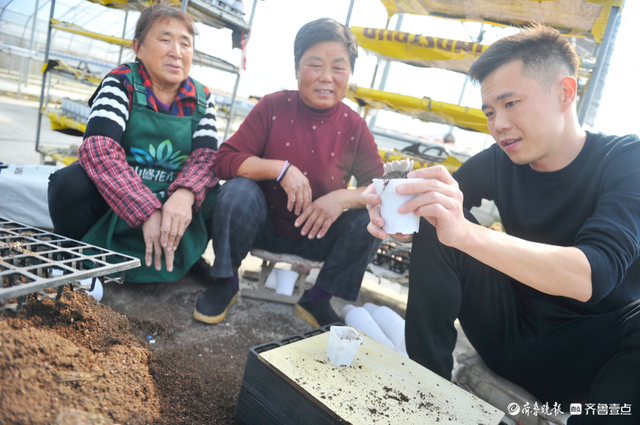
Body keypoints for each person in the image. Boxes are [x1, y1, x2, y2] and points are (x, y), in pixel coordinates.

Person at [362, 24, 640, 424]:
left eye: (511, 104)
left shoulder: (625, 161)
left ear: (565, 92)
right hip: (509, 337)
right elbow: (440, 211)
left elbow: (590, 277)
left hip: (586, 366)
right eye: (490, 111)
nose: (498, 124)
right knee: (439, 216)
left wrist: (464, 232)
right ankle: (424, 394)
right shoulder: (500, 159)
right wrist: (397, 211)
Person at [193, 18, 383, 327]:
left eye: (338, 68)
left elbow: (380, 187)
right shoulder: (272, 107)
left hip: (319, 235)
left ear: (349, 75)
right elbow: (224, 160)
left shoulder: (354, 127)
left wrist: (341, 199)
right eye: (314, 65)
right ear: (296, 69)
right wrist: (280, 169)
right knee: (237, 190)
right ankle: (225, 282)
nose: (326, 77)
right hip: (263, 226)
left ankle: (318, 298)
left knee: (371, 217)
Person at [48, 5, 219, 283]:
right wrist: (146, 209)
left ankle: (191, 257)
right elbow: (98, 150)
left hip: (172, 200)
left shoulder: (201, 98)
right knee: (70, 183)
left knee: (222, 196)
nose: (176, 51)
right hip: (120, 202)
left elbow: (207, 159)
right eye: (165, 39)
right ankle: (74, 254)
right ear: (138, 47)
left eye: (185, 43)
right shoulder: (121, 83)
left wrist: (185, 194)